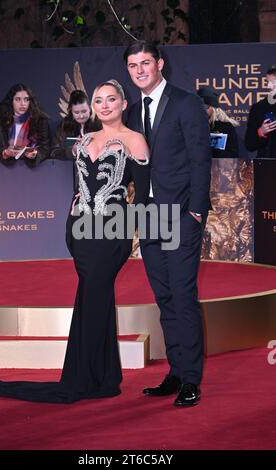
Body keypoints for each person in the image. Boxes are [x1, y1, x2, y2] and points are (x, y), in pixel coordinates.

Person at [0, 79, 150, 403]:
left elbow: (141, 196)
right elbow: (79, 186)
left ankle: (85, 378)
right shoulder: (84, 141)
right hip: (81, 231)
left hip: (111, 233)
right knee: (90, 297)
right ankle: (104, 375)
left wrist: (129, 232)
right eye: (99, 100)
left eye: (111, 99)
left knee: (95, 295)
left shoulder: (135, 141)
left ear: (124, 104)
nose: (105, 105)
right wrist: (71, 222)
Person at [125, 40, 211, 407]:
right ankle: (176, 372)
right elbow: (133, 166)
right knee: (164, 298)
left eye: (146, 62)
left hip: (181, 215)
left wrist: (195, 210)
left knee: (183, 295)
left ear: (160, 63)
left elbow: (200, 159)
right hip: (149, 216)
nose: (140, 70)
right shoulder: (131, 113)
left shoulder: (186, 102)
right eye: (133, 65)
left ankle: (191, 378)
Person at [0, 83, 50, 167]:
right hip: (4, 170)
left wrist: (36, 154)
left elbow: (45, 148)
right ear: (11, 101)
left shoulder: (40, 121)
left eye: (26, 99)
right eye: (18, 99)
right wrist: (6, 153)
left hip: (33, 171)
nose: (23, 104)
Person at [51, 89, 101, 160]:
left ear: (90, 108)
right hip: (70, 169)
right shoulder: (64, 126)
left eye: (84, 111)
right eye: (76, 113)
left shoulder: (98, 124)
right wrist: (72, 151)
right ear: (71, 112)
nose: (81, 116)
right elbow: (54, 152)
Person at [197, 85, 239, 158]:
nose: (202, 110)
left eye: (205, 106)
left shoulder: (225, 127)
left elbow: (232, 155)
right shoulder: (191, 126)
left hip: (219, 167)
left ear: (213, 107)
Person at [245, 64, 276, 158]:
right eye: (267, 82)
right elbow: (249, 144)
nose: (268, 86)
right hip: (267, 166)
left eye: (273, 82)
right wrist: (261, 132)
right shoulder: (259, 108)